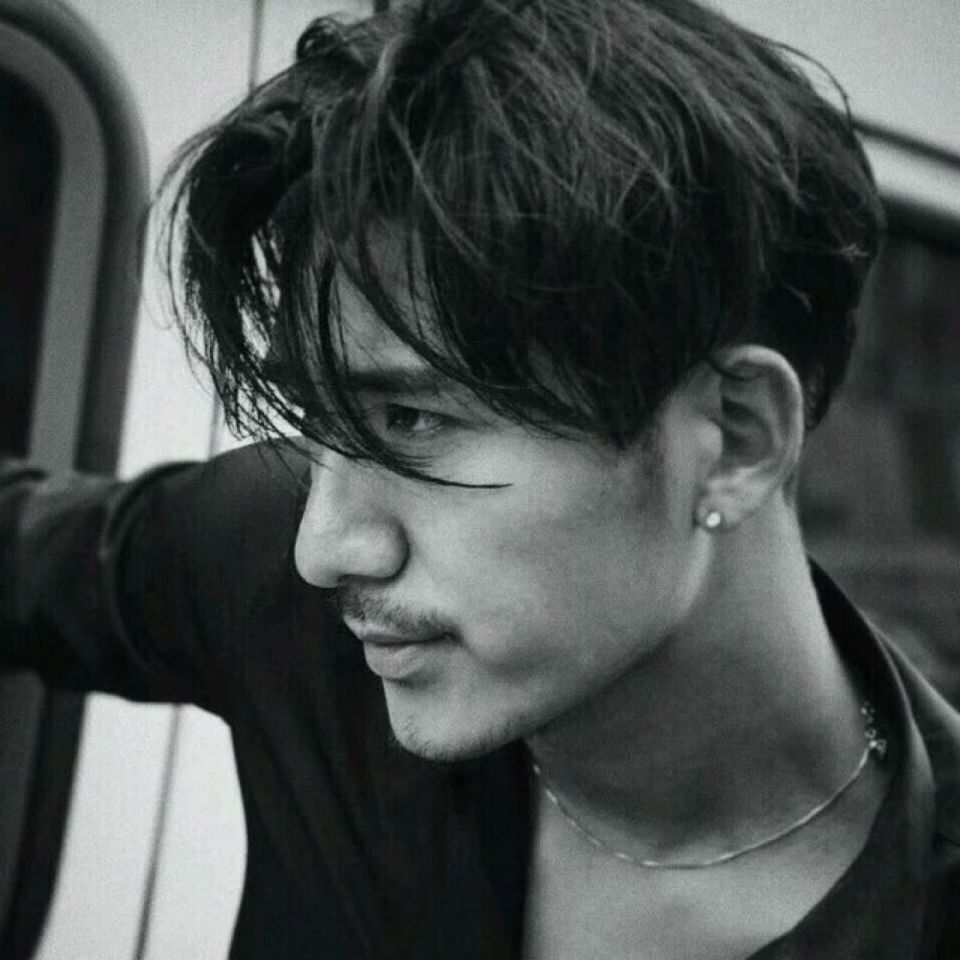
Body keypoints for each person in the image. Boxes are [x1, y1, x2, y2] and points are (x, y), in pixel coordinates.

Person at [3, 0, 960, 956]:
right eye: (315, 418)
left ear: (737, 439)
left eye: (412, 420)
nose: (322, 549)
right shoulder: (281, 588)